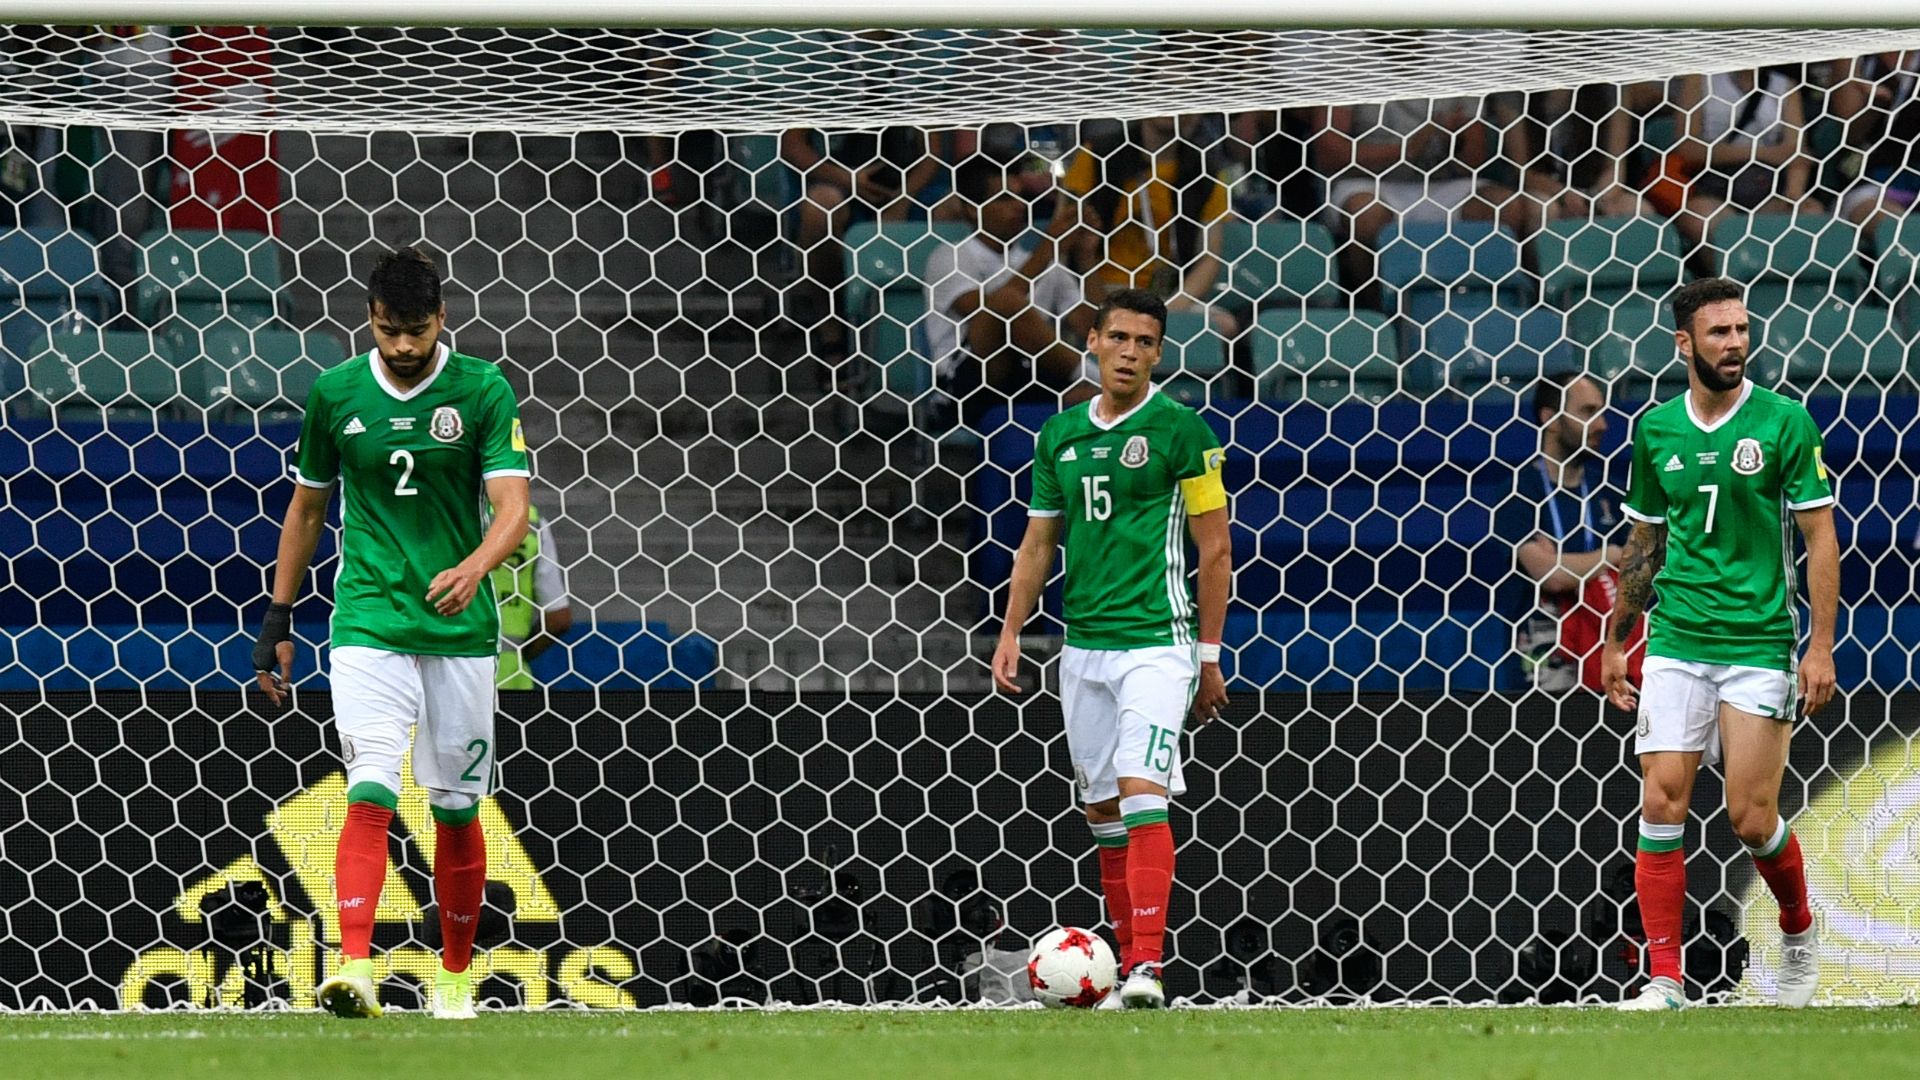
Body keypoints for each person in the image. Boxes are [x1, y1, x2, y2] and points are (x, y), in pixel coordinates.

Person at [251, 246, 532, 1021]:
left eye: (414, 331)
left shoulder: (482, 390)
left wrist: (476, 566)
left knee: (455, 807)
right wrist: (279, 613)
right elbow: (307, 508)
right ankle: (354, 966)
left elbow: (512, 505)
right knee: (370, 781)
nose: (402, 347)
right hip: (367, 617)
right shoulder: (336, 393)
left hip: (457, 628)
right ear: (368, 322)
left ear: (443, 319)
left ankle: (452, 975)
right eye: (386, 331)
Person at [990, 288, 1232, 1009]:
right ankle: (1127, 965)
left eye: (1145, 342)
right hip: (1082, 650)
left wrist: (1208, 655)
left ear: (1159, 352)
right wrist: (1010, 628)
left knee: (1140, 793)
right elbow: (1038, 543)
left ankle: (1149, 967)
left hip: (1157, 645)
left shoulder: (1182, 430)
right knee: (1099, 811)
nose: (1130, 352)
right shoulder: (1058, 434)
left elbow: (1214, 547)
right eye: (1118, 337)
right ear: (1092, 341)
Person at [1600, 276, 1838, 1011]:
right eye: (1719, 332)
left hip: (1759, 641)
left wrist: (1820, 646)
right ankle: (1664, 981)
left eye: (1741, 330)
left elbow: (1820, 536)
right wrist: (1619, 639)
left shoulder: (1783, 423)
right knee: (1661, 802)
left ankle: (1798, 929)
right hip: (1675, 639)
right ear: (1684, 343)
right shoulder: (1656, 430)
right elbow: (1644, 542)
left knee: (1751, 819)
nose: (1735, 343)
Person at [924, 158, 1095, 425]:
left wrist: (1086, 255)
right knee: (1006, 301)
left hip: (1031, 378)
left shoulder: (1045, 262)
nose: (1019, 205)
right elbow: (991, 315)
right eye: (1004, 198)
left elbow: (1089, 327)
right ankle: (1106, 380)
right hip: (969, 385)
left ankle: (1112, 391)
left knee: (1100, 404)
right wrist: (1049, 246)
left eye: (1021, 197)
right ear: (972, 209)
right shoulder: (950, 256)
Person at [1494, 372, 1626, 692]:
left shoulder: (1611, 492)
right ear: (1550, 419)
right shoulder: (1518, 491)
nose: (1602, 424)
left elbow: (1637, 569)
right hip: (1537, 668)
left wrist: (1563, 562)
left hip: (1604, 662)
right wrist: (1608, 555)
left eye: (1602, 412)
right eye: (1588, 411)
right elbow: (1549, 575)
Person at [492, 502, 574, 690]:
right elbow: (558, 618)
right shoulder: (530, 522)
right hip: (511, 679)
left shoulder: (445, 514)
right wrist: (517, 653)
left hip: (447, 679)